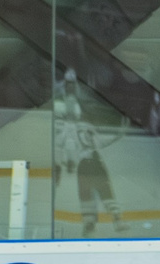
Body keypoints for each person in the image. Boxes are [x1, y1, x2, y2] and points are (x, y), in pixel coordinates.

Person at [51, 82, 122, 236]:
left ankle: (113, 219)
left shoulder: (79, 128)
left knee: (101, 192)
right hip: (87, 164)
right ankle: (92, 223)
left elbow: (99, 140)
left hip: (90, 164)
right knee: (89, 194)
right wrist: (62, 164)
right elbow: (63, 148)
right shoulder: (68, 128)